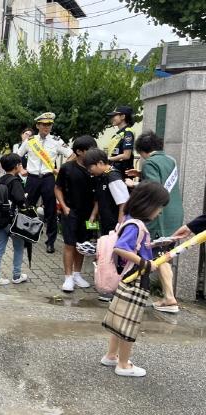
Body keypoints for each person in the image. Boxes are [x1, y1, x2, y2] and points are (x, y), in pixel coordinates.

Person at [101, 181, 170, 377]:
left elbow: (134, 246)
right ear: (148, 204)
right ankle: (123, 364)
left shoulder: (129, 219)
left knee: (119, 321)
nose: (160, 212)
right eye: (159, 207)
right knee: (129, 323)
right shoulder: (136, 225)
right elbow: (121, 248)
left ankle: (111, 356)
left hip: (129, 278)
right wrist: (145, 263)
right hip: (137, 279)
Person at [125, 131, 183, 313]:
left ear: (143, 151)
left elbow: (154, 187)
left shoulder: (150, 162)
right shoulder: (171, 160)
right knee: (166, 253)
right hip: (175, 212)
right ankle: (168, 296)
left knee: (160, 254)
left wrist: (134, 183)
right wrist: (142, 174)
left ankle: (169, 298)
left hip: (160, 215)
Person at [17, 112, 74, 253]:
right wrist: (20, 169)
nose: (47, 127)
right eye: (44, 124)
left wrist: (61, 169)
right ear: (37, 125)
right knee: (27, 208)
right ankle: (26, 237)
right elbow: (16, 156)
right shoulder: (30, 140)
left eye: (49, 124)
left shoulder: (56, 141)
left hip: (48, 178)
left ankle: (50, 242)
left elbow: (71, 155)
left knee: (50, 211)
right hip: (32, 178)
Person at [55, 135, 97, 293]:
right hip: (70, 211)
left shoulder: (95, 168)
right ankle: (68, 277)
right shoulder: (67, 168)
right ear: (79, 151)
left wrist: (94, 214)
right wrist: (64, 207)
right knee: (69, 244)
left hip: (90, 214)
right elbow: (57, 188)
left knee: (82, 245)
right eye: (90, 150)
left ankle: (77, 274)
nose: (93, 153)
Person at [0, 153, 28, 286]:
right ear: (17, 166)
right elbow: (20, 200)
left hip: (1, 219)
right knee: (18, 247)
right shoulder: (15, 181)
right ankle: (17, 275)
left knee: (0, 247)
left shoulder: (0, 180)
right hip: (13, 221)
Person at [84, 148, 130, 236]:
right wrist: (93, 215)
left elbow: (124, 203)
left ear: (100, 163)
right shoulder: (101, 176)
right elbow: (99, 198)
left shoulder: (113, 177)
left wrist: (119, 226)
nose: (89, 171)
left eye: (90, 167)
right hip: (105, 222)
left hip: (114, 225)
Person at [106, 106, 135, 176]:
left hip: (122, 172)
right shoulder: (118, 134)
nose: (112, 118)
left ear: (122, 117)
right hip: (115, 169)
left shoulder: (128, 132)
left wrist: (109, 158)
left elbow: (126, 155)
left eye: (114, 116)